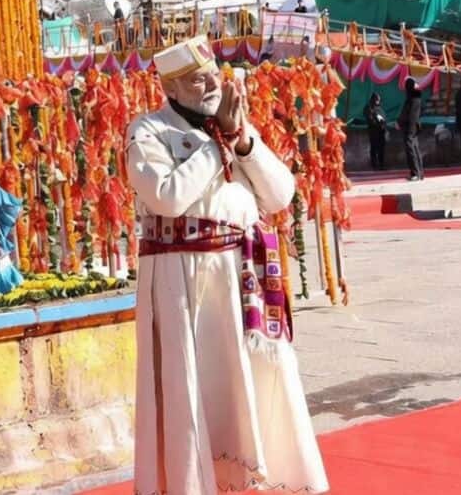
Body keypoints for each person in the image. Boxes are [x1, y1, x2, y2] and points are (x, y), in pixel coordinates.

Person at [125, 36, 328, 495]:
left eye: (214, 74)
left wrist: (242, 142)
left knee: (252, 386)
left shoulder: (233, 129)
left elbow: (280, 195)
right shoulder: (147, 131)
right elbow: (168, 198)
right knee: (195, 389)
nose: (212, 84)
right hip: (187, 285)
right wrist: (216, 147)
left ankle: (259, 480)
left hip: (242, 280)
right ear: (172, 89)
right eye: (198, 80)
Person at [398, 77, 424, 181]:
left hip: (410, 128)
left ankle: (415, 173)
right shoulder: (416, 97)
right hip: (413, 127)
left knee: (411, 150)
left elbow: (410, 115)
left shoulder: (412, 99)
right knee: (415, 149)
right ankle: (420, 173)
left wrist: (402, 123)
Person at [364, 93, 388, 170]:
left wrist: (383, 124)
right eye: (376, 99)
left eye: (378, 100)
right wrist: (378, 122)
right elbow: (369, 119)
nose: (377, 101)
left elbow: (384, 118)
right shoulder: (369, 108)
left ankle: (382, 164)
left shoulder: (380, 108)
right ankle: (374, 165)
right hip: (373, 131)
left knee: (381, 149)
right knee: (374, 148)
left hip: (381, 131)